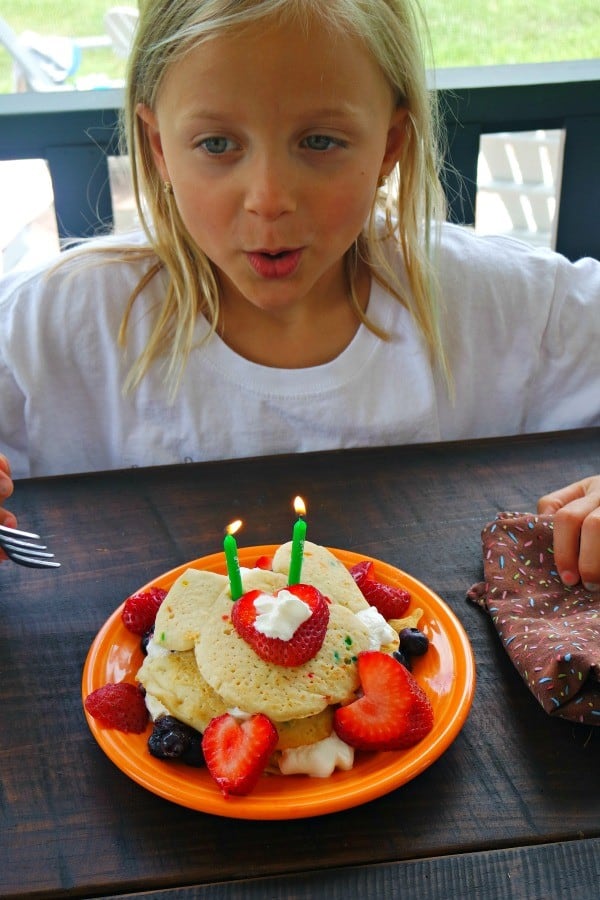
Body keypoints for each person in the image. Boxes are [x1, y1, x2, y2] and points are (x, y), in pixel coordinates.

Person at [1, 0, 599, 585]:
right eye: (216, 144)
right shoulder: (53, 321)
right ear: (158, 146)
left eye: (319, 142)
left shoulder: (497, 303)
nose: (269, 197)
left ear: (389, 145)